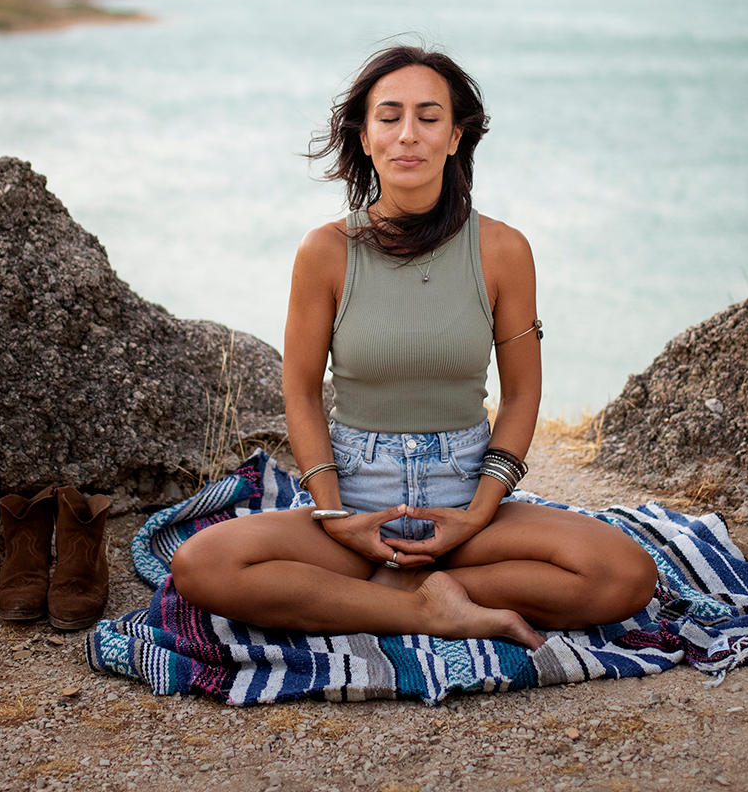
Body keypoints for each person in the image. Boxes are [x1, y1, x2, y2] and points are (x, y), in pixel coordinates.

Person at [170, 45, 658, 648]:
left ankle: (398, 590)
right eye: (389, 117)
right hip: (357, 503)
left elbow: (521, 395)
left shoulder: (502, 250)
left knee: (626, 574)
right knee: (203, 565)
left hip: (465, 502)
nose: (408, 135)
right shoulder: (325, 251)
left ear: (454, 137)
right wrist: (335, 517)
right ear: (365, 136)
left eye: (428, 118)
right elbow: (300, 392)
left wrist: (478, 513)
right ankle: (425, 610)